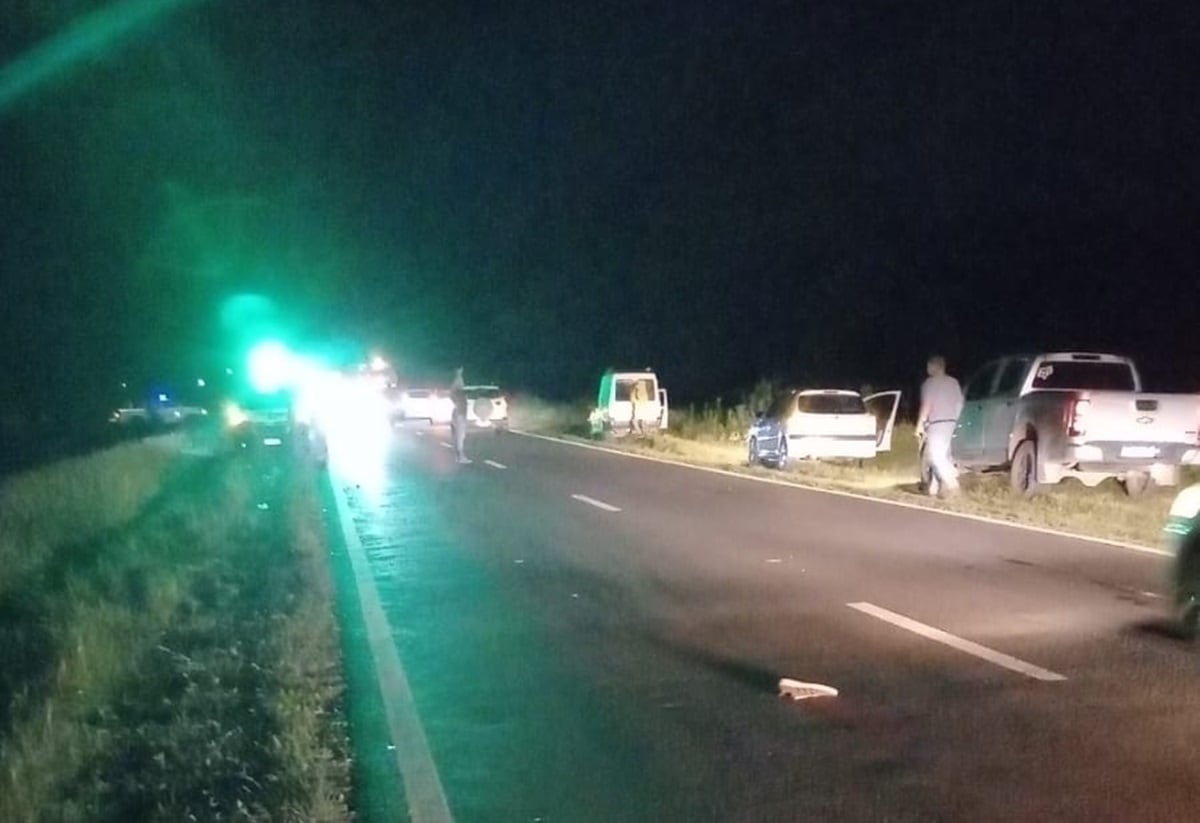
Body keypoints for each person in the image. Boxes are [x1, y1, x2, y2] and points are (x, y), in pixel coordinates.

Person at [916, 355, 963, 498]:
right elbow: (959, 403)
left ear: (934, 367)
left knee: (936, 457)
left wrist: (920, 424)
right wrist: (955, 419)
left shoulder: (929, 383)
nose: (927, 369)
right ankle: (934, 488)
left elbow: (927, 404)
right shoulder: (954, 382)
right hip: (951, 422)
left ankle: (953, 482)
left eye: (929, 366)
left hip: (936, 423)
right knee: (944, 454)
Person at [449, 366, 470, 464]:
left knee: (459, 436)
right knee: (460, 436)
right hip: (459, 413)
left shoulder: (457, 381)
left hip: (459, 412)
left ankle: (459, 456)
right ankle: (460, 456)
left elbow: (452, 394)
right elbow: (454, 393)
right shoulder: (458, 381)